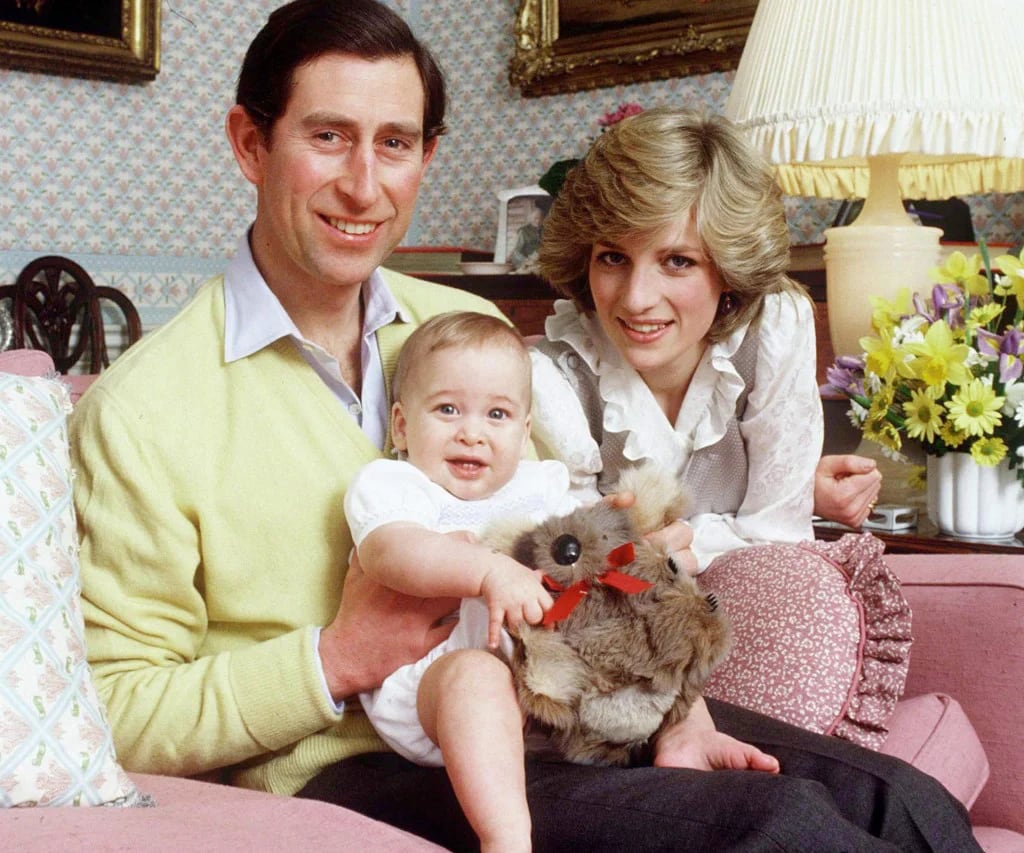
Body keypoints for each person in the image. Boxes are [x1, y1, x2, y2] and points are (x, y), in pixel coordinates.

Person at [69, 2, 977, 850]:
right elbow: (115, 710)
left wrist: (678, 703)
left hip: (559, 711)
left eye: (394, 143)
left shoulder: (471, 333)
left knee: (897, 800)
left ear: (427, 157)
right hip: (357, 763)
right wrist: (334, 657)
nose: (363, 183)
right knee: (781, 824)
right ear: (249, 143)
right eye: (327, 137)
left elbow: (574, 547)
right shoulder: (143, 409)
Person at [530, 108, 880, 570]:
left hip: (759, 589)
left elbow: (779, 538)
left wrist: (685, 547)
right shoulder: (552, 376)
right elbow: (572, 563)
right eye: (613, 257)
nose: (636, 299)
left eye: (677, 261)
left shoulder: (775, 326)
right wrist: (728, 528)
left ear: (730, 269)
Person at [346, 311, 567, 851]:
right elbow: (391, 552)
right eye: (447, 410)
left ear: (525, 430)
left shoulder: (541, 488)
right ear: (401, 425)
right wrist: (489, 569)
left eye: (497, 414)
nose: (472, 432)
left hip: (548, 693)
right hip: (432, 686)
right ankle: (507, 840)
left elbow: (591, 552)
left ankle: (679, 734)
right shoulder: (398, 486)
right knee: (477, 676)